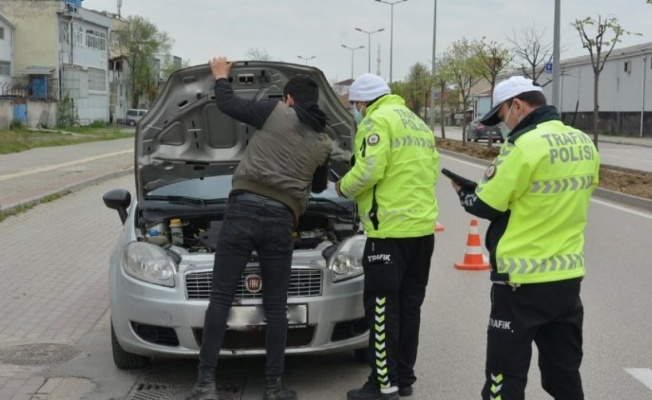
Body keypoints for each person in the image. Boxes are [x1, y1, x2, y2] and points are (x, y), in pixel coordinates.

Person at [186, 57, 333, 400]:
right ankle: (274, 387)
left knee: (221, 298)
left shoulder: (275, 112)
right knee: (276, 306)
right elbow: (321, 186)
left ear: (290, 99)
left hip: (242, 212)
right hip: (282, 221)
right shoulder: (324, 142)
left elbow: (227, 104)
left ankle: (206, 384)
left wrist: (221, 76)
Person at [447, 76, 600, 400]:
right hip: (567, 279)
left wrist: (464, 195)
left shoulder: (523, 146)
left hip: (521, 283)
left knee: (504, 380)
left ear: (516, 106)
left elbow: (486, 204)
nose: (503, 125)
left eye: (501, 117)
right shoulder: (584, 143)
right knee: (564, 377)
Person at [336, 73, 440, 400]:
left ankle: (383, 385)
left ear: (362, 102)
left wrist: (342, 187)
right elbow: (431, 169)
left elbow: (369, 170)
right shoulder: (417, 123)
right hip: (422, 232)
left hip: (389, 233)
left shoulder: (375, 121)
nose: (356, 111)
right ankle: (403, 378)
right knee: (410, 308)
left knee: (382, 309)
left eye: (355, 105)